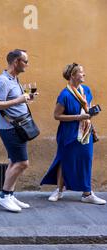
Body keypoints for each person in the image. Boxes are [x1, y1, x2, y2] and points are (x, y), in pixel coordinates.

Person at [41, 63, 106, 205]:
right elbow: (57, 116)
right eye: (81, 72)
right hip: (68, 132)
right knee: (64, 160)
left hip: (85, 131)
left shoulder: (86, 90)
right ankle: (59, 190)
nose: (84, 74)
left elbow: (87, 109)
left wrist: (91, 112)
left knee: (86, 160)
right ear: (72, 75)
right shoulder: (64, 95)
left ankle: (87, 193)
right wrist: (78, 117)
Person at [0, 49, 37, 213]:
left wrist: (26, 98)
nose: (28, 64)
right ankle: (3, 196)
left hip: (19, 127)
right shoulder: (2, 81)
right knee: (22, 163)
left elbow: (14, 101)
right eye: (26, 61)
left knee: (14, 162)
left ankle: (9, 194)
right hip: (10, 128)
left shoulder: (14, 79)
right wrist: (19, 99)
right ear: (16, 61)